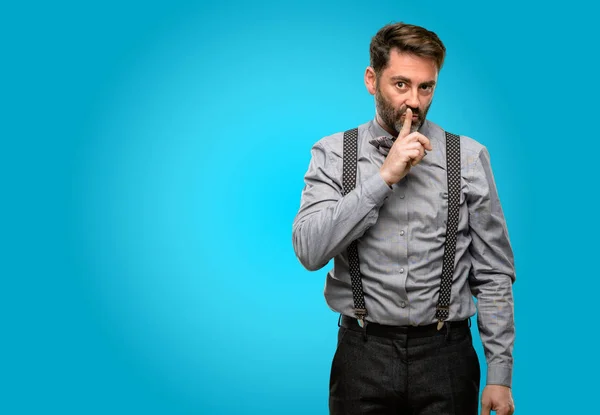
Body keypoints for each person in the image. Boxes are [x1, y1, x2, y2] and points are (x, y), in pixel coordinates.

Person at [292, 22, 516, 415]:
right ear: (371, 80)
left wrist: (499, 373)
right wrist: (384, 178)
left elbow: (494, 273)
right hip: (361, 354)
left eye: (425, 87)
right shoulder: (332, 154)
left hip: (446, 356)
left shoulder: (467, 157)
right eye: (400, 85)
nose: (414, 101)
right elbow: (310, 251)